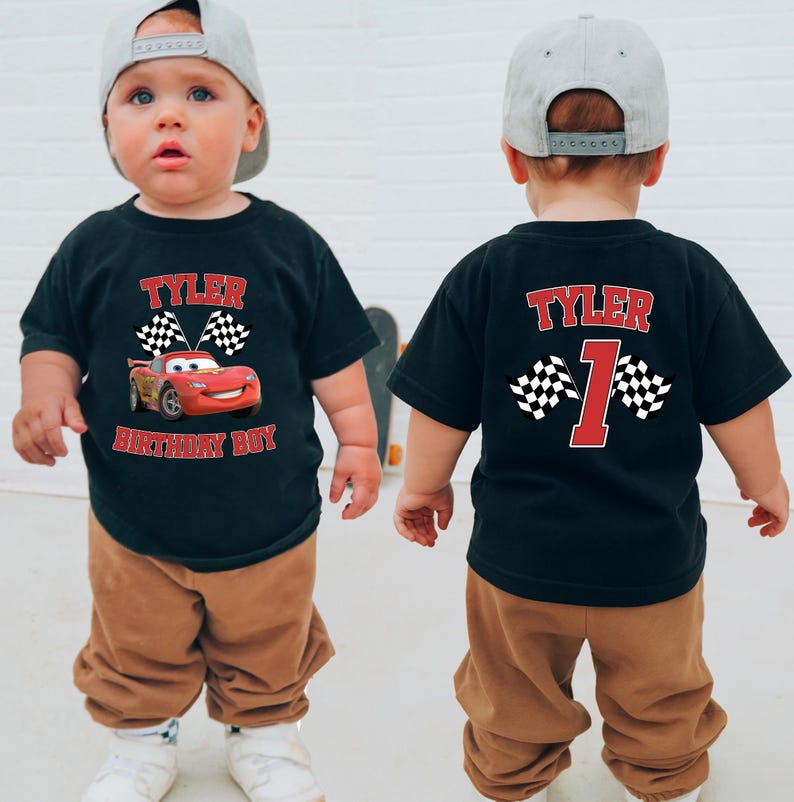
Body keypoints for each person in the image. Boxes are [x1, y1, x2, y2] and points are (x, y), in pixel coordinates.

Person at [389, 15, 789, 802]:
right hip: (652, 560)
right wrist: (765, 481)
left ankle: (514, 779)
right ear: (660, 158)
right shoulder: (688, 274)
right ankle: (666, 779)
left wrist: (423, 486)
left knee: (511, 692)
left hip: (517, 559)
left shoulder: (485, 275)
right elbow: (740, 402)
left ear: (513, 158)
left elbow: (440, 409)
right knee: (661, 692)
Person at [12, 1, 381, 801]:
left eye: (201, 94)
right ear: (108, 127)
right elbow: (51, 338)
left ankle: (267, 732)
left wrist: (356, 439)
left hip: (269, 518)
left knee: (268, 641)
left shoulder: (290, 246)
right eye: (140, 97)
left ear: (251, 125)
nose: (169, 113)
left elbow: (335, 357)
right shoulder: (93, 247)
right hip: (134, 521)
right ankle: (142, 741)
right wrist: (43, 392)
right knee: (135, 643)